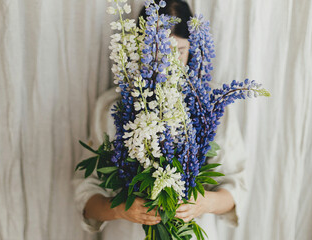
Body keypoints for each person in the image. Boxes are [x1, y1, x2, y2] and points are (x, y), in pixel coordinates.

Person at [73, 1, 247, 239]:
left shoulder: (213, 104)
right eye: (157, 51)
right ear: (139, 48)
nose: (168, 63)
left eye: (179, 51)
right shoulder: (112, 106)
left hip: (192, 233)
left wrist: (203, 203)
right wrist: (121, 209)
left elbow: (237, 186)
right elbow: (86, 190)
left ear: (192, 49)